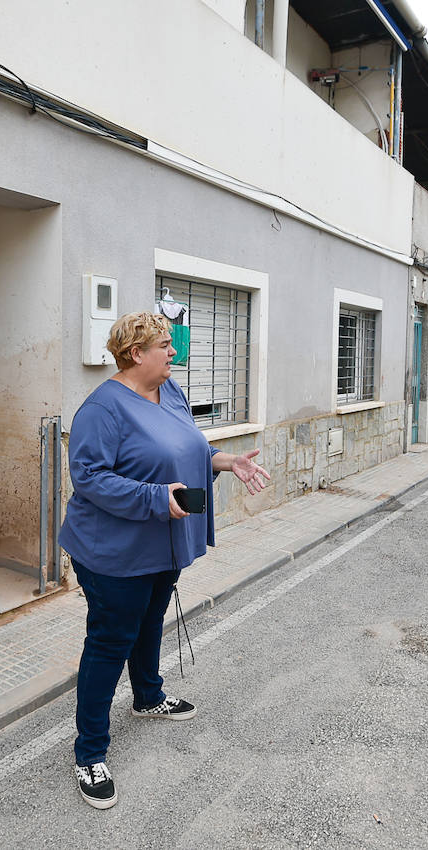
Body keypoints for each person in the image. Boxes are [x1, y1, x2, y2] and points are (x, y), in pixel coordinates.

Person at [62, 312, 271, 808]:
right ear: (136, 354)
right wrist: (156, 497)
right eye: (164, 345)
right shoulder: (103, 409)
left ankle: (148, 696)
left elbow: (189, 446)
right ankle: (89, 752)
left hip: (164, 541)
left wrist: (225, 460)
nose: (173, 352)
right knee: (111, 640)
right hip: (113, 549)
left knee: (151, 618)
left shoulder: (170, 392)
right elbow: (88, 477)